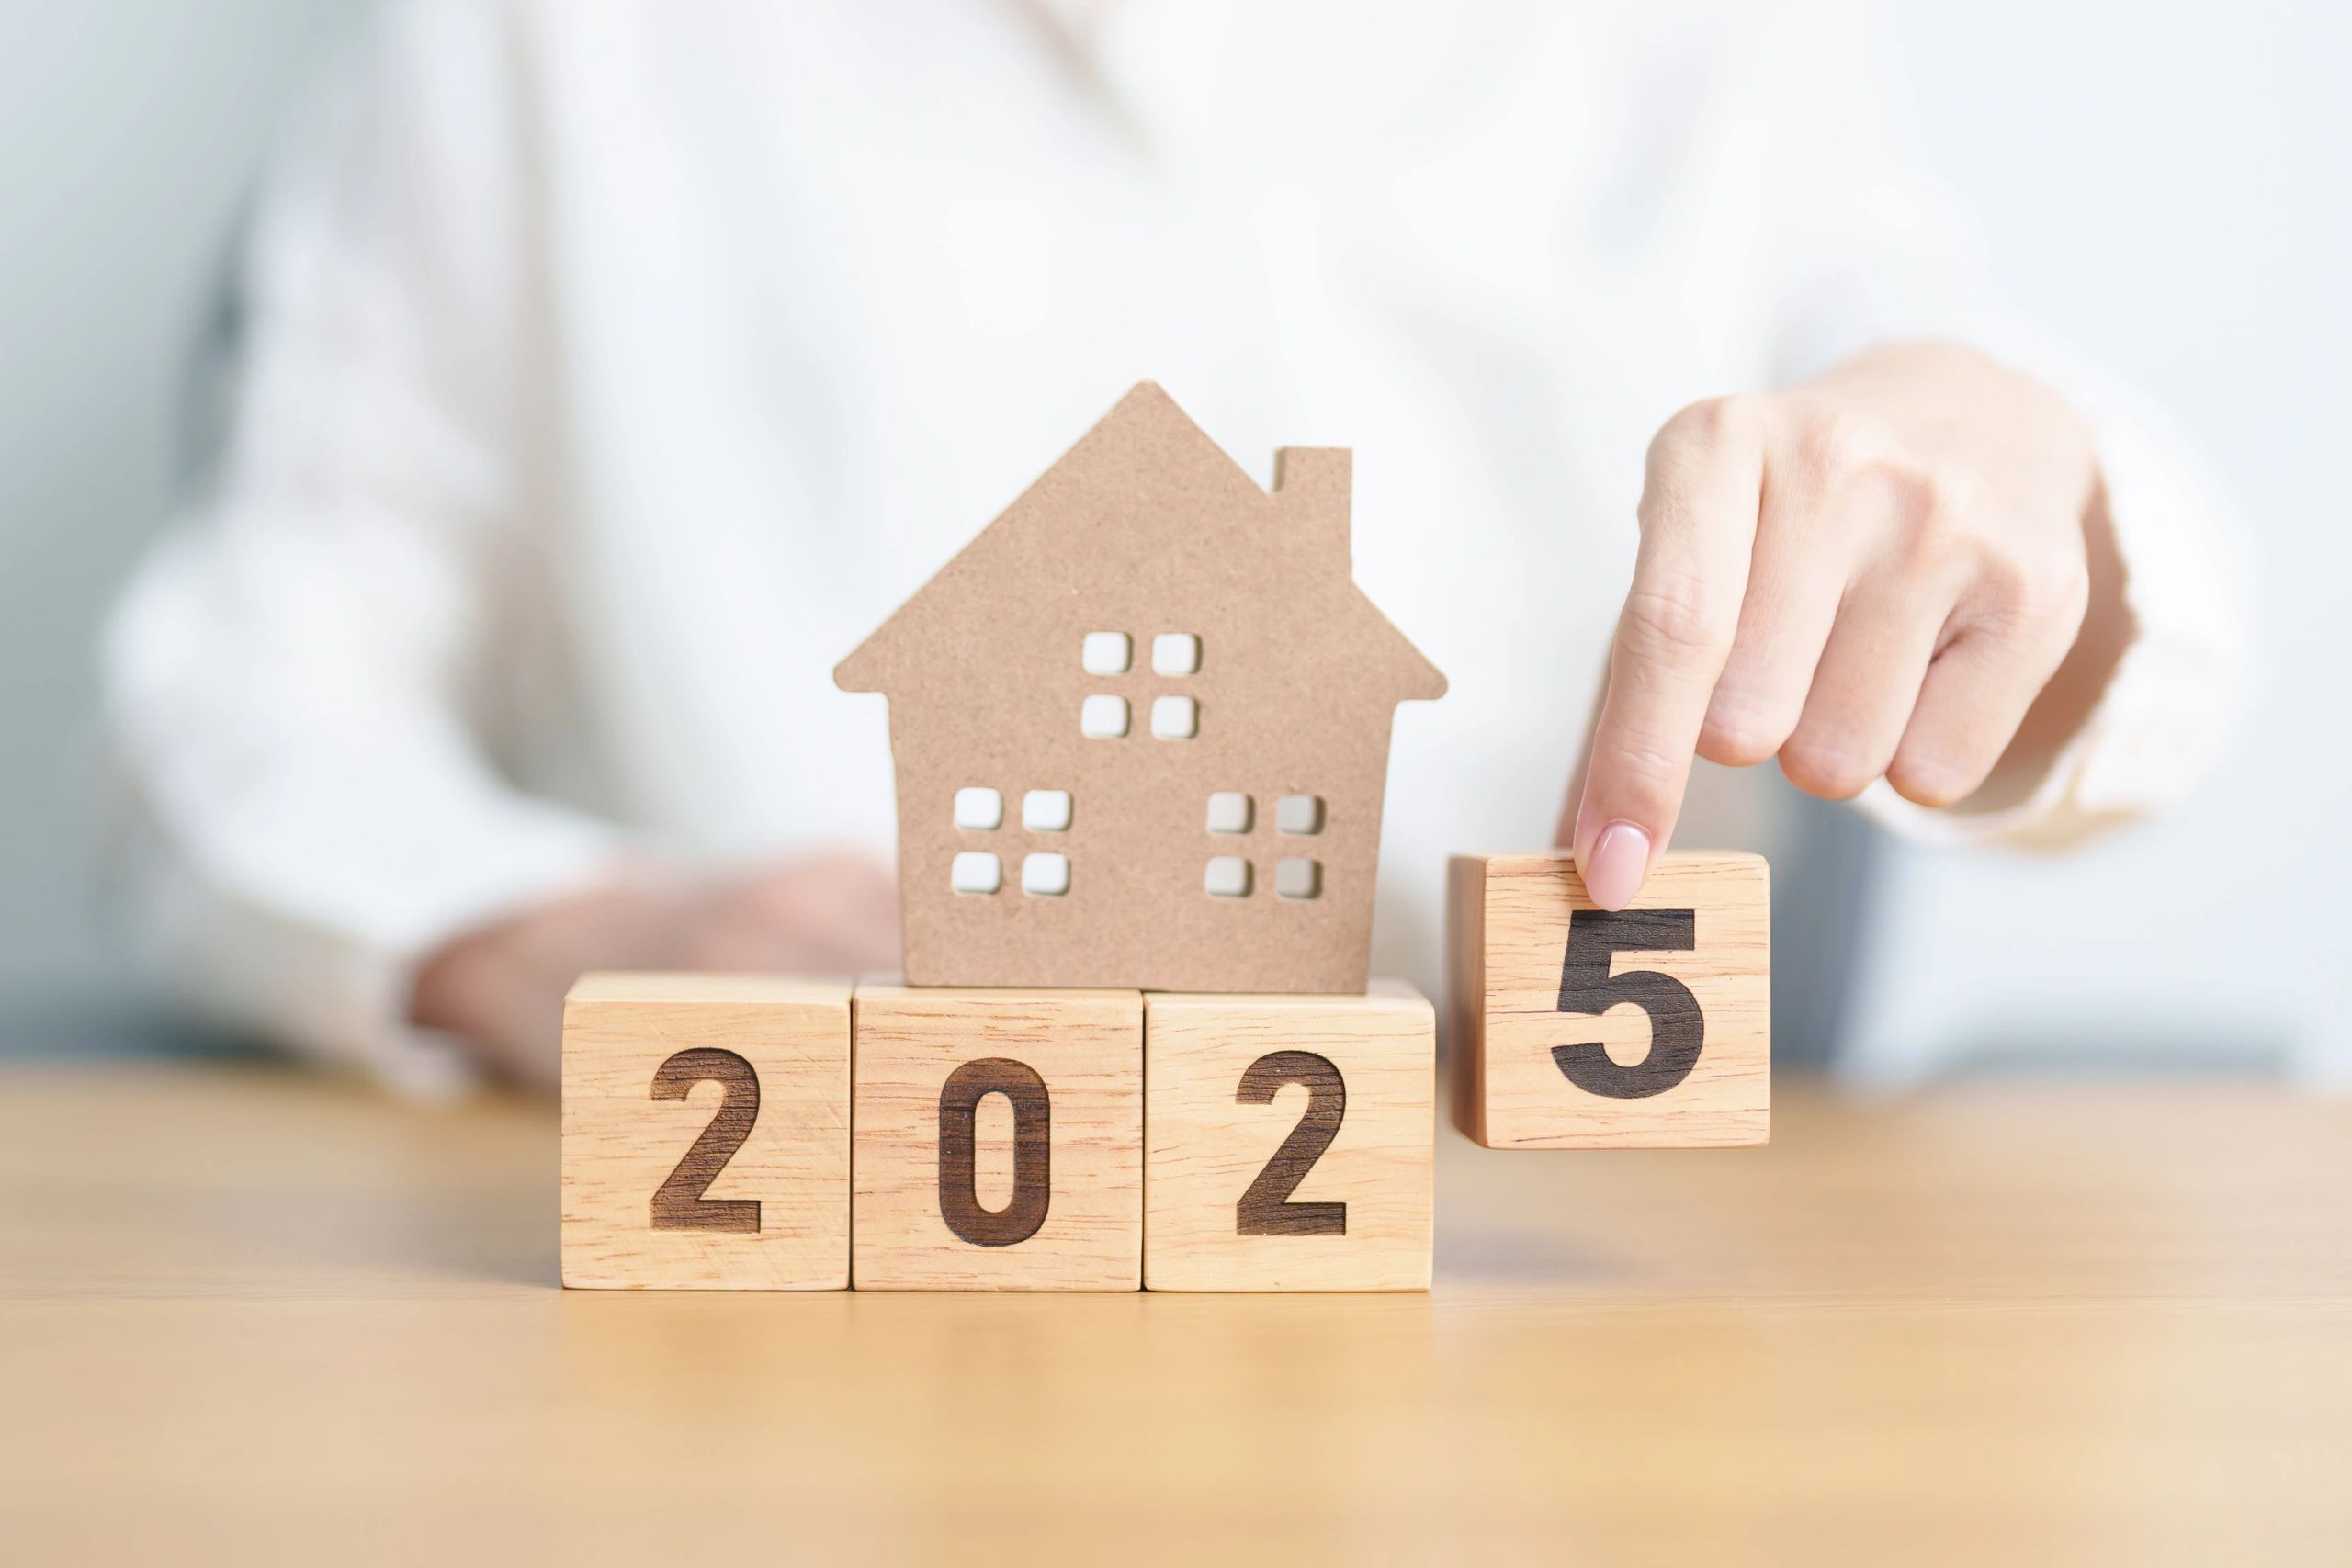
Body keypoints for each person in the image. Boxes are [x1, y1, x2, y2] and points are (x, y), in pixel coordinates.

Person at [99, 0, 2245, 1093]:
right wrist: (524, 926)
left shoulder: (1708, 48)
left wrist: (2007, 482)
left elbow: (2128, 632)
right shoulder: (554, 44)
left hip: (1564, 1352)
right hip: (800, 1319)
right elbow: (233, 702)